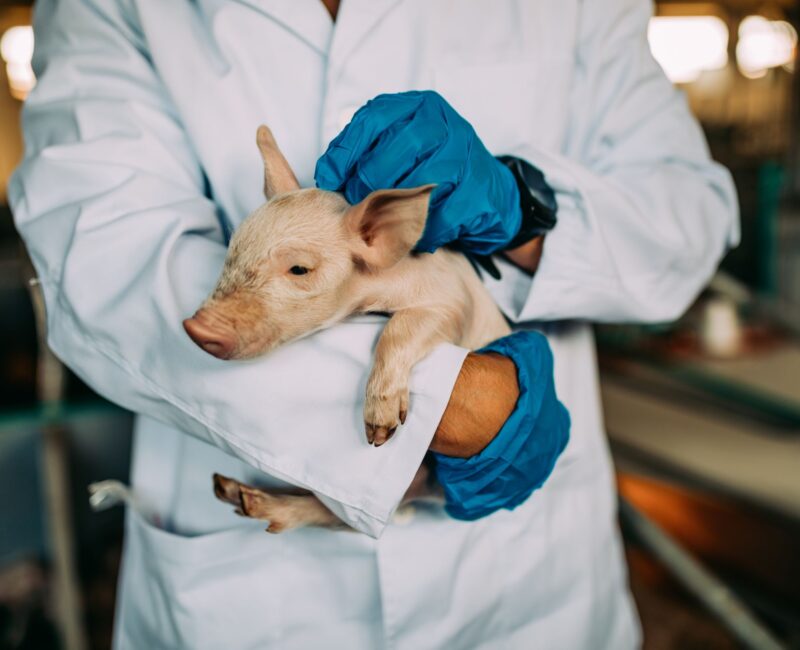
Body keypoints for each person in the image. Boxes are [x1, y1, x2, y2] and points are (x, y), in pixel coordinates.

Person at [9, 0, 738, 648]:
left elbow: (691, 215)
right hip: (253, 602)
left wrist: (521, 204)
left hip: (530, 590)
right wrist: (456, 404)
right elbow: (105, 252)